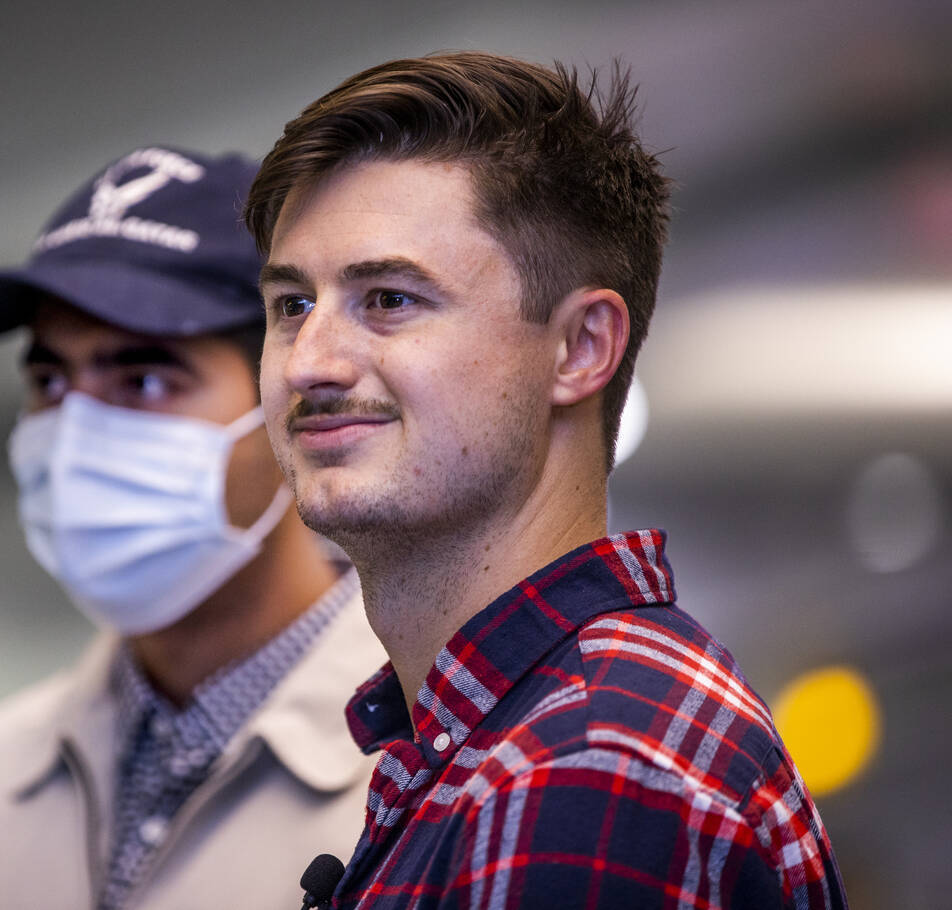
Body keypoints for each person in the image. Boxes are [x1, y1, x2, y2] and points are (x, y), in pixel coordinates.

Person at [247, 53, 848, 909]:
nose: (310, 364)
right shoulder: (495, 744)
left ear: (581, 348)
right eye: (291, 305)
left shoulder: (591, 763)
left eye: (388, 300)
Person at [0, 145, 384, 910]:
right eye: (49, 380)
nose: (74, 433)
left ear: (285, 397)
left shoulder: (430, 769)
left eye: (145, 379)